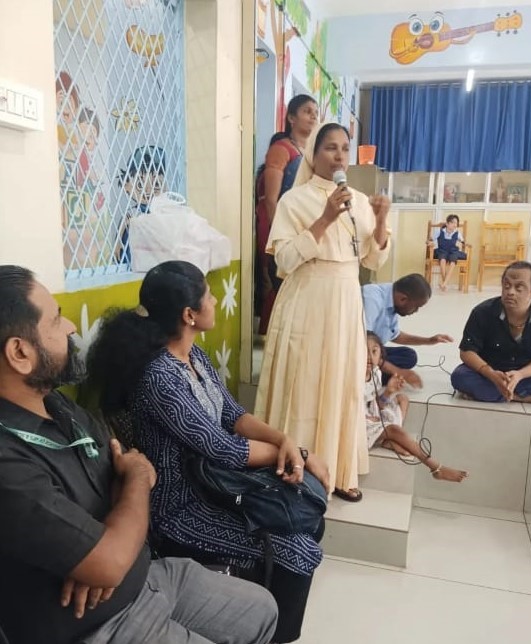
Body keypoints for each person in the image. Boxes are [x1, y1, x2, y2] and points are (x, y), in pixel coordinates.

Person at [0, 265, 278, 644]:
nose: (70, 327)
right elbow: (134, 480)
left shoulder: (56, 405)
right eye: (56, 319)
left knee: (262, 609)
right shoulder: (8, 463)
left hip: (142, 574)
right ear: (20, 352)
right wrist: (134, 483)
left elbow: (127, 465)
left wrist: (111, 543)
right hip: (100, 622)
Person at [87, 260, 329, 644]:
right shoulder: (160, 377)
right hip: (178, 508)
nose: (215, 301)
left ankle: (251, 617)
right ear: (190, 315)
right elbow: (222, 448)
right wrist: (294, 454)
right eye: (209, 296)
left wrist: (286, 442)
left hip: (217, 488)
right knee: (297, 550)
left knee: (307, 515)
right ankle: (273, 634)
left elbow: (234, 416)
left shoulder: (194, 358)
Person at [254, 122, 391, 503]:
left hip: (346, 299)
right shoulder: (293, 201)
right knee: (304, 381)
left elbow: (373, 259)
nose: (339, 156)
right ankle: (294, 466)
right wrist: (326, 217)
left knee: (342, 381)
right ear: (313, 155)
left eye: (345, 148)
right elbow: (283, 260)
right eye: (330, 148)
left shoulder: (359, 201)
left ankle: (340, 468)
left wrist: (380, 219)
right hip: (307, 298)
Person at [365, 332, 467, 482]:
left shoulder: (376, 373)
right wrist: (368, 415)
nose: (369, 356)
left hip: (372, 413)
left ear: (381, 355)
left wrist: (389, 391)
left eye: (374, 351)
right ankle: (436, 467)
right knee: (394, 429)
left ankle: (389, 439)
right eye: (364, 351)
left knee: (402, 398)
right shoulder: (353, 376)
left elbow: (377, 404)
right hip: (360, 422)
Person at [255, 94, 319, 334]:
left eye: (315, 112)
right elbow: (272, 199)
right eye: (307, 111)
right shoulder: (281, 149)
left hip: (301, 224)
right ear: (291, 118)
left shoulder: (308, 152)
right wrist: (279, 234)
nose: (313, 116)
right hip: (278, 223)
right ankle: (272, 334)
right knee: (280, 278)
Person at [451, 261, 531, 403]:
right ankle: (522, 396)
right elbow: (466, 352)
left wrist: (520, 374)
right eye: (506, 285)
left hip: (526, 374)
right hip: (491, 372)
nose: (510, 292)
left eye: (519, 288)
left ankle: (505, 395)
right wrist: (490, 373)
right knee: (460, 376)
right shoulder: (482, 312)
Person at [362, 274, 453, 388]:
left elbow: (395, 335)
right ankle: (371, 376)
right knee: (385, 362)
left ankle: (377, 373)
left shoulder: (392, 299)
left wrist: (429, 340)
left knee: (409, 355)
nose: (416, 311)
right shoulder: (372, 299)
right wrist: (398, 371)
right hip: (356, 351)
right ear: (403, 299)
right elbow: (361, 345)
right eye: (416, 307)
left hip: (372, 350)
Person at [428, 214, 467, 291]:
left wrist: (465, 243)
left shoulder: (457, 233)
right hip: (442, 250)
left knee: (453, 261)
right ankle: (444, 284)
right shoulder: (439, 231)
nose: (455, 225)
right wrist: (429, 243)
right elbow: (429, 240)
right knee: (442, 260)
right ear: (447, 223)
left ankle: (444, 284)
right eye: (453, 222)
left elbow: (463, 242)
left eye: (456, 223)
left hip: (453, 251)